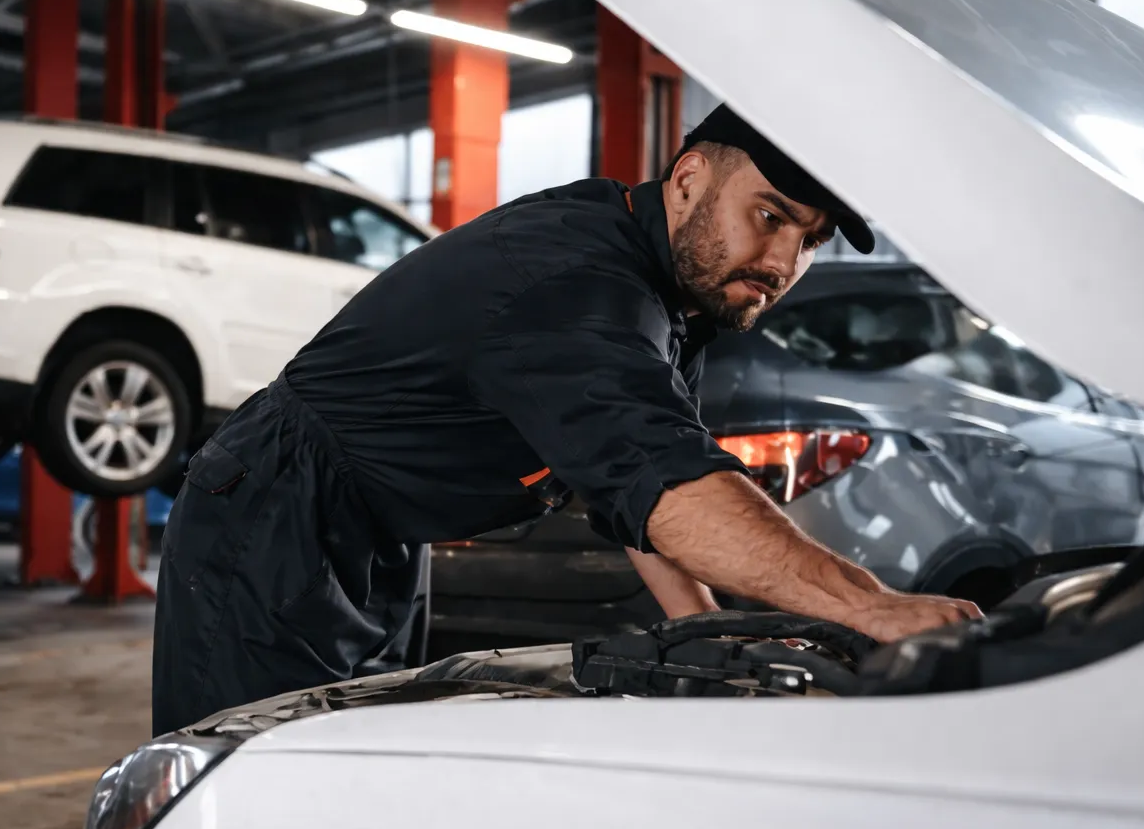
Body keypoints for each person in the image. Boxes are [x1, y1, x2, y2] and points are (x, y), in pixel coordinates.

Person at [151, 103, 981, 735]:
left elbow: (630, 485)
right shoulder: (574, 287)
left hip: (381, 538)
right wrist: (869, 607)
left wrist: (707, 632)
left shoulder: (667, 289)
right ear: (689, 179)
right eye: (768, 217)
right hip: (278, 517)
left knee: (345, 762)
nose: (780, 265)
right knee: (252, 785)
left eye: (810, 241)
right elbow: (671, 491)